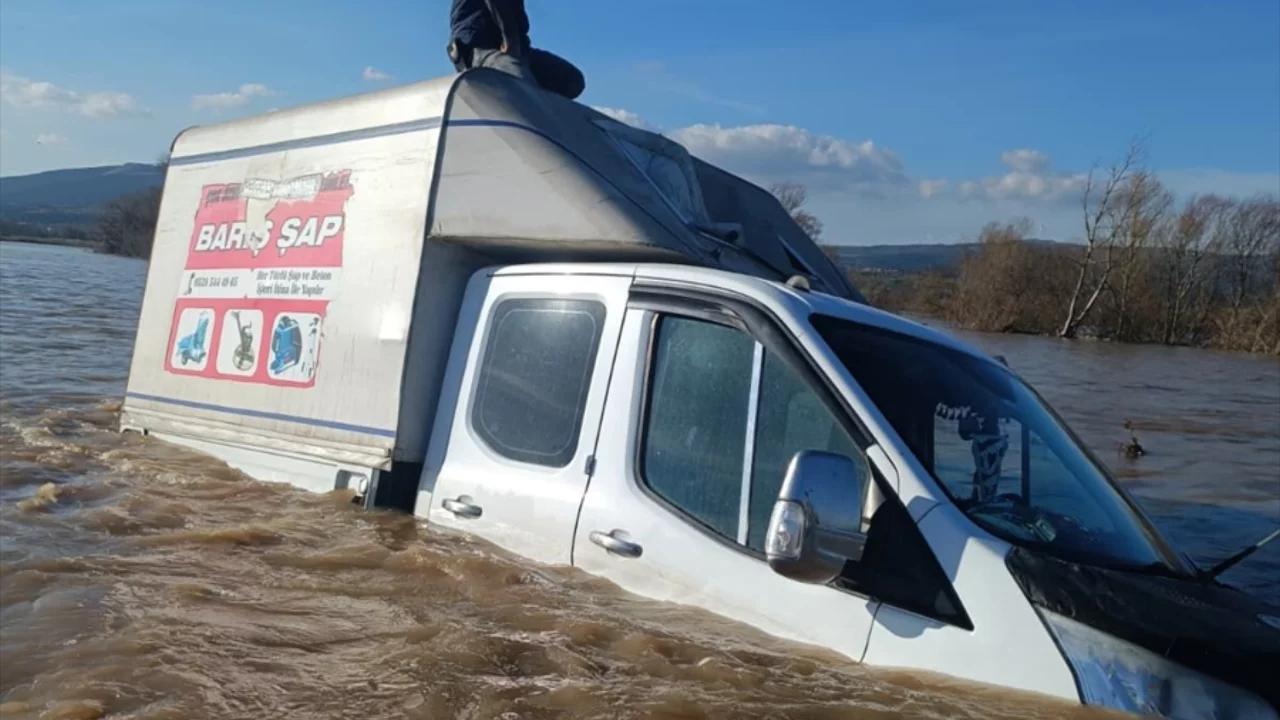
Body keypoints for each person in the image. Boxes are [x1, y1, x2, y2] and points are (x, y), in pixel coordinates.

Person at [448, 0, 585, 100]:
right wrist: (509, 37)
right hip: (482, 47)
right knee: (521, 87)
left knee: (573, 81)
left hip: (518, 51)